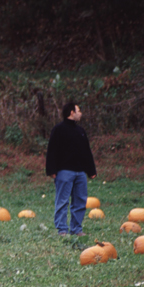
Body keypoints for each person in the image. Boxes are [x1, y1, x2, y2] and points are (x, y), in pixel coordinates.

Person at [45, 101, 97, 236]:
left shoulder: (80, 131)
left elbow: (87, 151)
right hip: (64, 172)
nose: (81, 114)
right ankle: (62, 229)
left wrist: (91, 170)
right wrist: (51, 170)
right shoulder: (58, 129)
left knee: (80, 201)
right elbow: (52, 150)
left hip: (80, 173)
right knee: (62, 201)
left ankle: (76, 229)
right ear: (72, 112)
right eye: (78, 111)